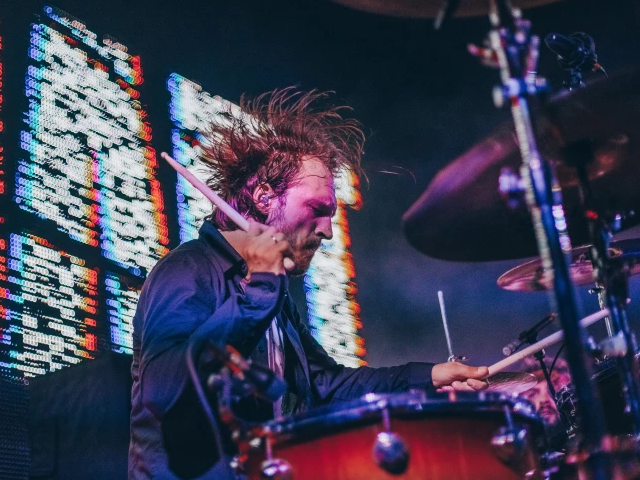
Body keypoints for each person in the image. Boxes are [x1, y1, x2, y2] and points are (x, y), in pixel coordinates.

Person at [129, 89, 489, 480]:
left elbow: (325, 385)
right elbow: (162, 390)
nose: (328, 232)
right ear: (264, 197)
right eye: (317, 210)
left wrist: (431, 376)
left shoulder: (273, 294)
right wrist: (261, 286)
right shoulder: (187, 270)